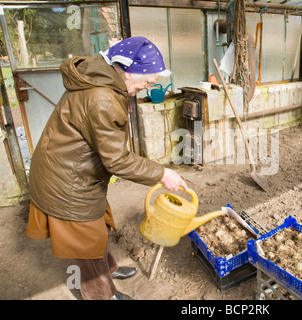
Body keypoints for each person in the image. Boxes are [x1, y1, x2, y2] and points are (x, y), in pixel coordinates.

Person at [26, 37, 187, 300]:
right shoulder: (102, 98)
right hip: (66, 181)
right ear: (125, 72)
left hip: (75, 170)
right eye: (147, 81)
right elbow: (117, 160)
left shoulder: (104, 78)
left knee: (97, 228)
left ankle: (109, 269)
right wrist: (162, 173)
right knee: (85, 243)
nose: (148, 87)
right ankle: (102, 295)